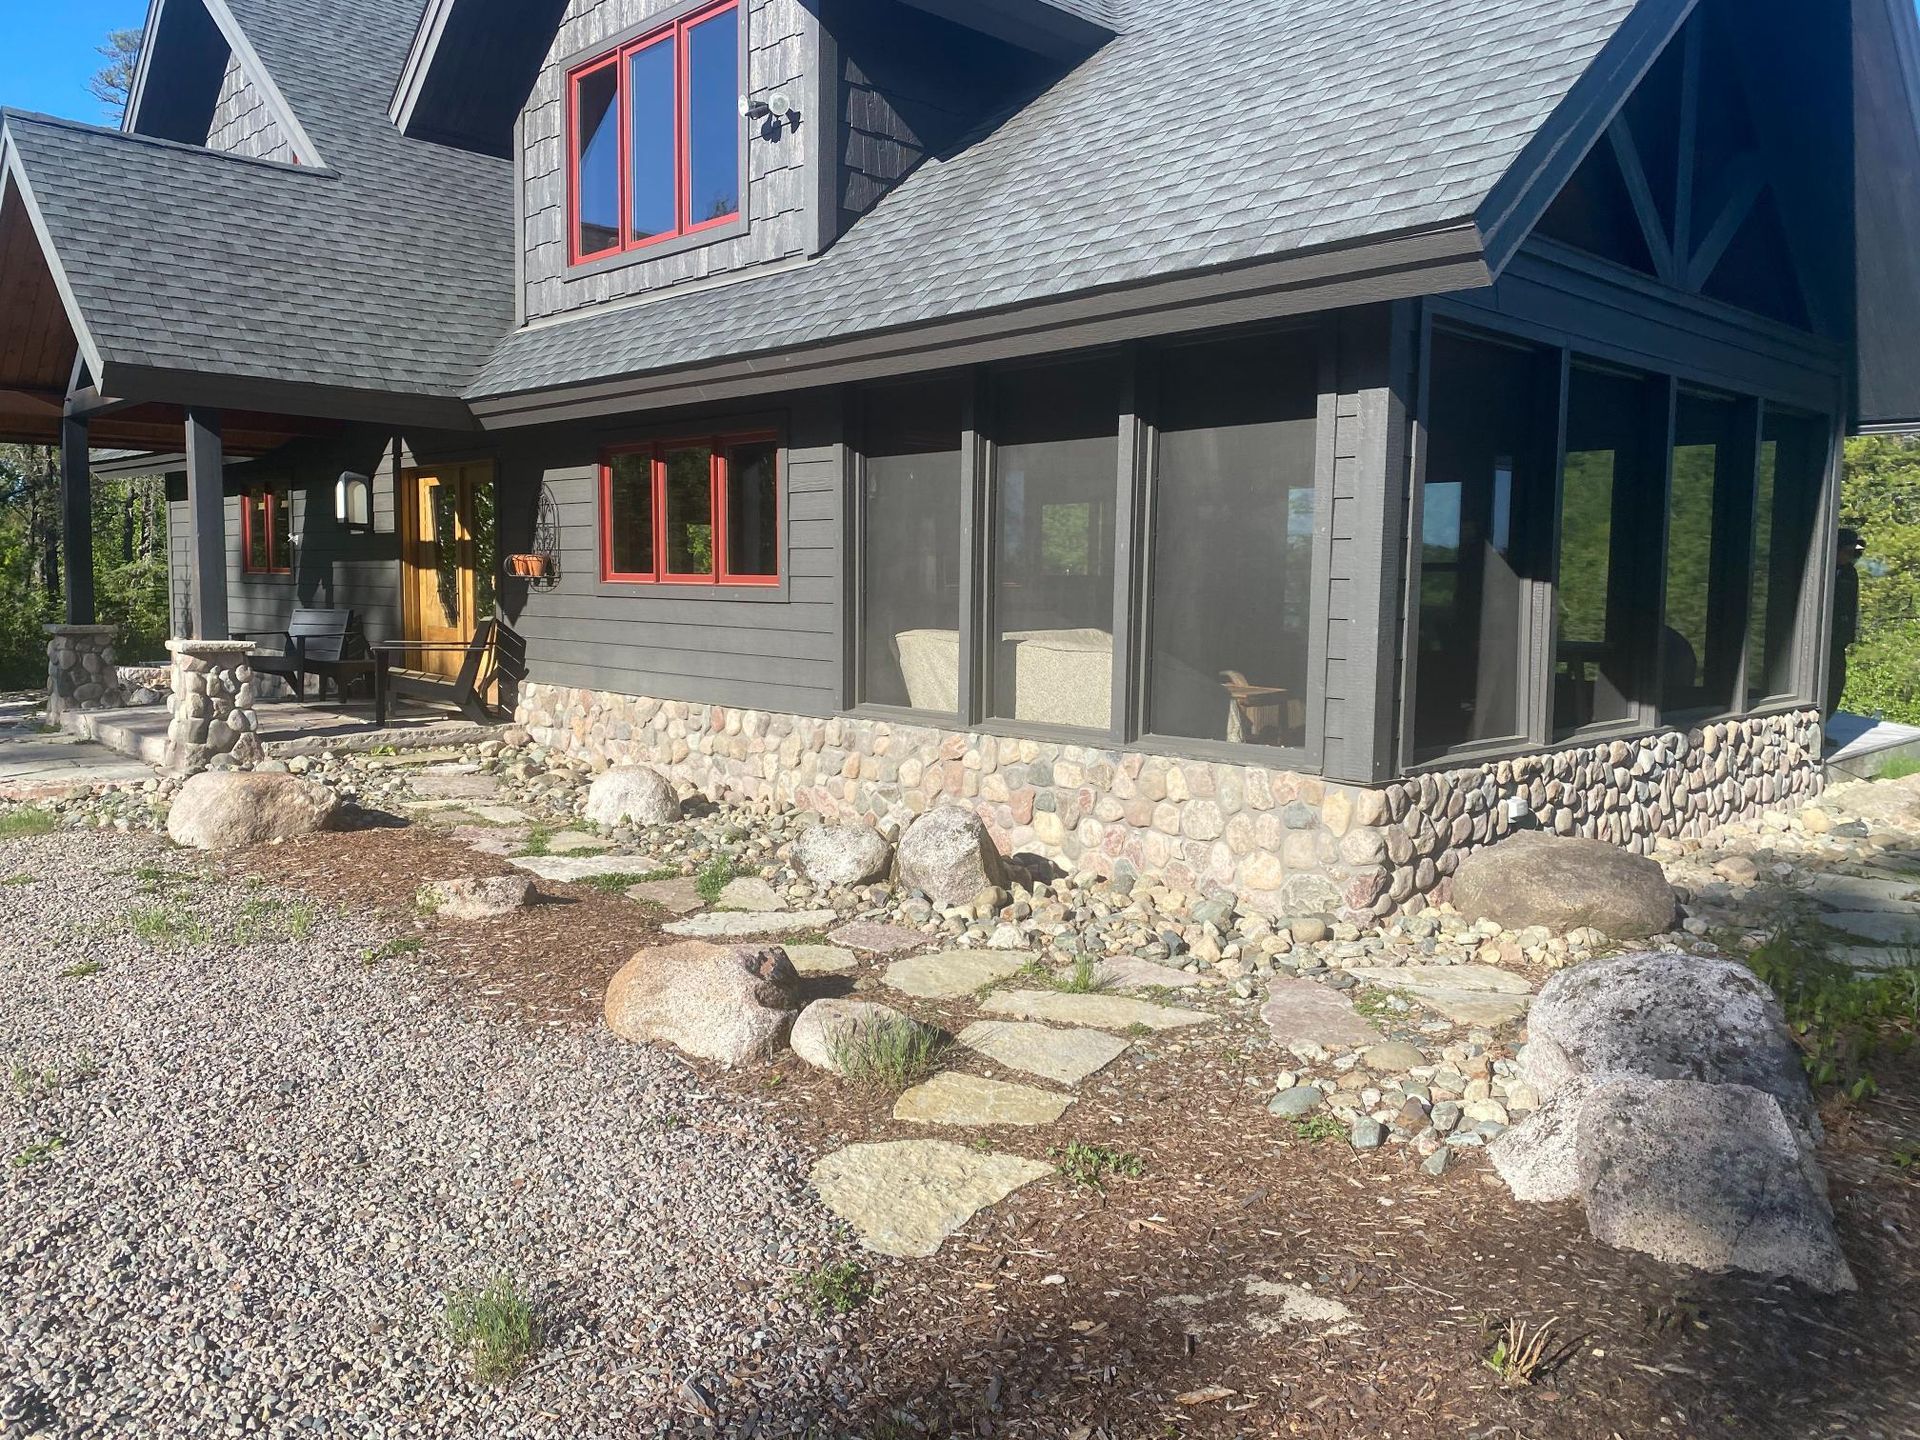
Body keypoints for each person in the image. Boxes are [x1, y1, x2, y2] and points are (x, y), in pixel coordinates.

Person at [1828, 527, 1865, 718]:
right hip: (1822, 636)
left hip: (1838, 639)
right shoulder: (1824, 571)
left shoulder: (1849, 573)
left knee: (1836, 681)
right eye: (1848, 552)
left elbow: (1851, 607)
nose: (1851, 557)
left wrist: (1849, 635)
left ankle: (1824, 723)